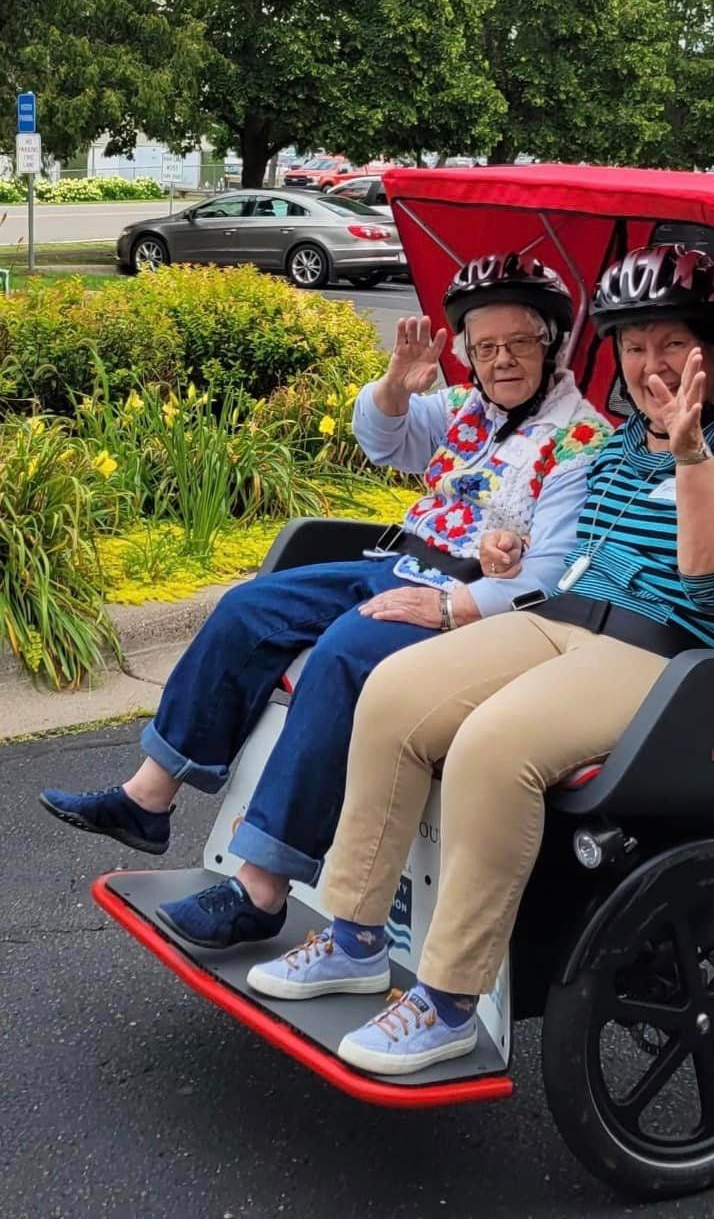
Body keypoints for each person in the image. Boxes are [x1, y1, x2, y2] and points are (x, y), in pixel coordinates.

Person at [240, 243, 714, 1076]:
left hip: (681, 657)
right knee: (393, 692)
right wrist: (511, 556)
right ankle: (354, 936)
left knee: (492, 746)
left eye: (672, 344)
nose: (649, 365)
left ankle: (447, 1000)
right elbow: (587, 553)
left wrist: (693, 451)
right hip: (571, 621)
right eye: (633, 347)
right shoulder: (626, 441)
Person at [39, 253, 612, 947]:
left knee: (343, 657)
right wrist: (395, 389)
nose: (500, 361)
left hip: (460, 599)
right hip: (394, 560)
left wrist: (452, 607)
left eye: (519, 343)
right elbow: (381, 440)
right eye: (484, 347)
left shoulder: (581, 440)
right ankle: (148, 797)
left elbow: (551, 573)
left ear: (552, 345)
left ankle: (262, 888)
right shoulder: (468, 409)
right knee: (250, 607)